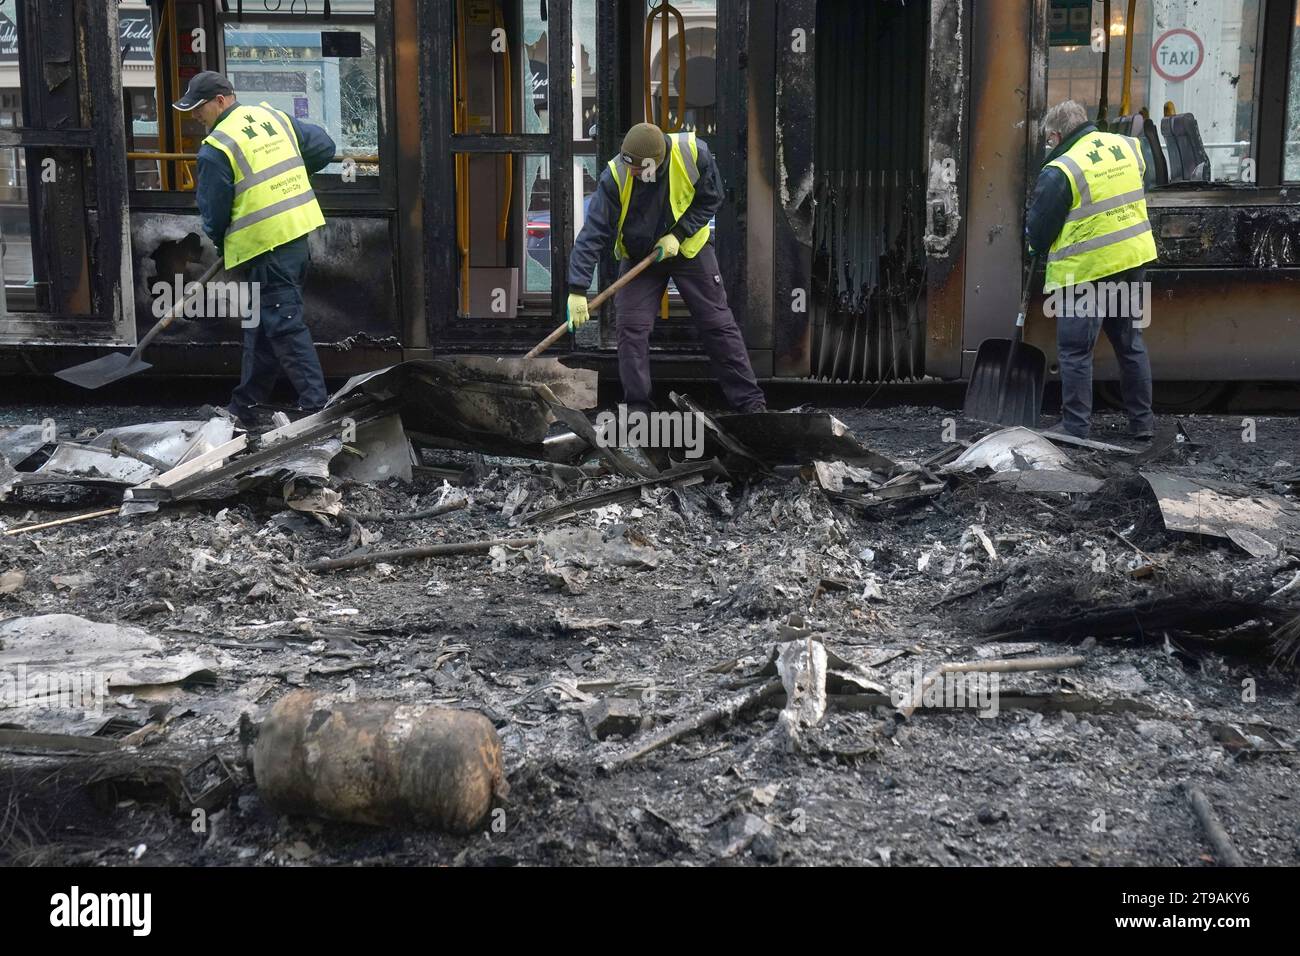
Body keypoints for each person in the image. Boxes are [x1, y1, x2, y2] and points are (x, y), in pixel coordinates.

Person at [565, 122, 767, 415]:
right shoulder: (616, 176)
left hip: (689, 250)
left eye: (637, 168)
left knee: (718, 326)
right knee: (630, 328)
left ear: (653, 164)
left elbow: (712, 198)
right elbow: (594, 232)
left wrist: (679, 233)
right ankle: (638, 411)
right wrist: (577, 288)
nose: (630, 171)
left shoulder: (693, 154)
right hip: (639, 256)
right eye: (627, 164)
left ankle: (752, 407)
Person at [173, 71, 336, 427]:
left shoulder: (216, 148)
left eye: (199, 108)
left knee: (285, 327)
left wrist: (220, 241)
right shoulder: (272, 117)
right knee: (261, 326)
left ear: (221, 100)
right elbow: (324, 147)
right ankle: (244, 407)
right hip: (296, 239)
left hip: (266, 249)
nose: (195, 116)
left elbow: (213, 214)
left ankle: (318, 411)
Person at [1027, 99, 1158, 440]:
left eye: (1048, 139)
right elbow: (1147, 182)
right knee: (1130, 343)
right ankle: (1143, 425)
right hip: (1132, 261)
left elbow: (1039, 230)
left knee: (1075, 353)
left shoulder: (1061, 169)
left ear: (1056, 135)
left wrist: (1032, 247)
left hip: (1086, 271)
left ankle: (1076, 429)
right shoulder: (1129, 147)